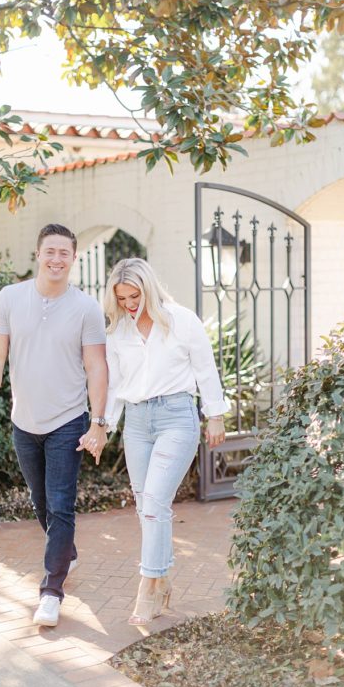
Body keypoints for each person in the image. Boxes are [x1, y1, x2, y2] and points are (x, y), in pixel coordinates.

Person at [0, 223, 109, 627]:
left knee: (60, 505)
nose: (56, 259)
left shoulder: (86, 307)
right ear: (38, 254)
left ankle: (52, 591)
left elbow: (96, 365)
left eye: (64, 253)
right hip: (24, 421)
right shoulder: (10, 299)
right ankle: (63, 548)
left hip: (69, 421)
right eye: (50, 251)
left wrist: (99, 422)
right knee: (40, 504)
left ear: (73, 258)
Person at [100, 258, 228, 625]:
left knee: (155, 501)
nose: (128, 303)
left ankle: (147, 586)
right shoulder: (118, 332)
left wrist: (215, 415)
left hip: (176, 417)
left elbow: (206, 368)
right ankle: (164, 578)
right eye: (122, 297)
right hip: (137, 423)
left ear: (149, 289)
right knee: (146, 507)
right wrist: (103, 426)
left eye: (134, 295)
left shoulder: (181, 320)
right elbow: (114, 386)